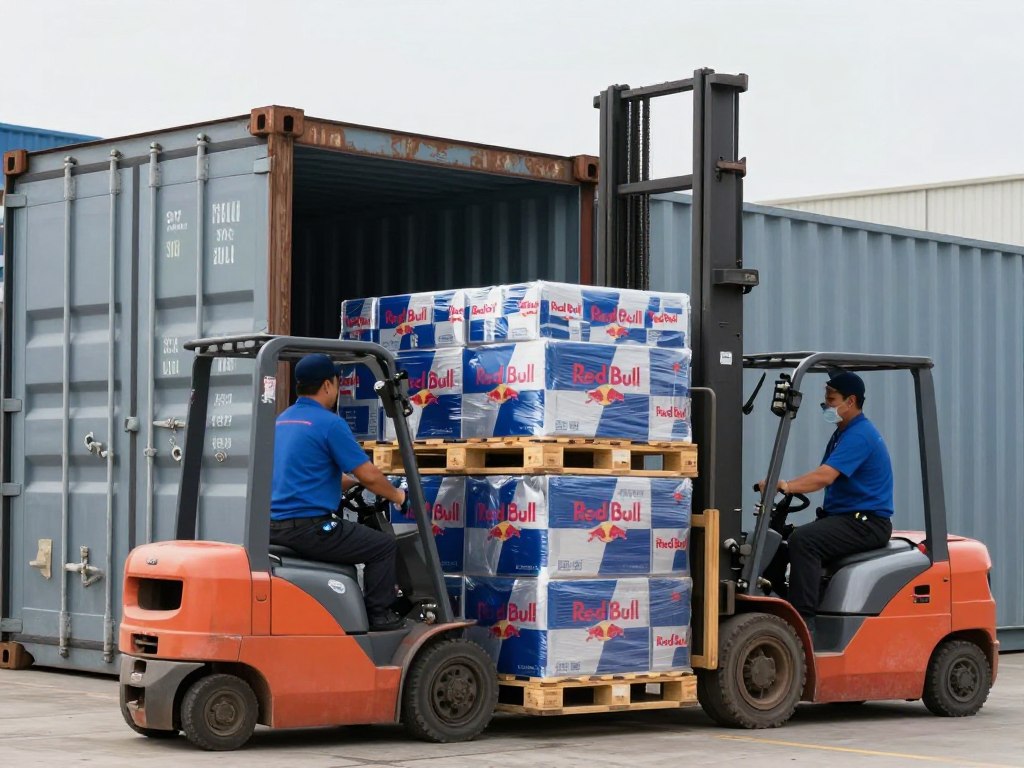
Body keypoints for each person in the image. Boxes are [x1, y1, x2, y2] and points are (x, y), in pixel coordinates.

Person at [270, 353, 408, 631]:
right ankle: (379, 616)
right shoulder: (329, 423)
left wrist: (352, 482)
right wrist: (397, 496)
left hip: (274, 527)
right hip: (310, 529)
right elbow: (369, 474)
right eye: (336, 382)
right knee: (382, 546)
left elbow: (307, 475)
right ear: (327, 386)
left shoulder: (282, 421)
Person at [758, 371, 894, 634]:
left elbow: (825, 476)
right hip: (848, 518)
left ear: (850, 401)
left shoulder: (860, 435)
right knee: (783, 541)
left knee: (804, 541)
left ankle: (803, 623)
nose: (826, 405)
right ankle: (777, 602)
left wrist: (786, 485)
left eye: (831, 399)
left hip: (866, 523)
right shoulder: (843, 432)